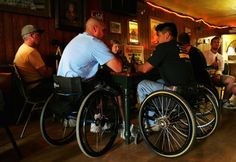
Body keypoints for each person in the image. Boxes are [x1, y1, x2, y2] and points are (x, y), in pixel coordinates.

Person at [57, 17, 124, 133]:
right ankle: (124, 125)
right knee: (115, 87)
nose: (104, 34)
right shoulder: (94, 42)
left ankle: (97, 117)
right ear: (95, 29)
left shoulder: (76, 40)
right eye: (103, 30)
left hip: (61, 87)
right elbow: (118, 68)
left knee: (100, 78)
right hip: (78, 88)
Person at [136, 22, 196, 103]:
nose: (158, 39)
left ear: (167, 35)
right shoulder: (182, 48)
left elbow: (144, 69)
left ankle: (149, 115)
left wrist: (136, 66)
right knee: (159, 81)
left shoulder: (163, 47)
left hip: (176, 93)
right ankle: (158, 109)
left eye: (159, 35)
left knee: (142, 85)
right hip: (190, 92)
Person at [14, 24, 53, 99]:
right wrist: (53, 70)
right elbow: (46, 74)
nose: (40, 38)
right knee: (62, 86)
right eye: (38, 35)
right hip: (36, 88)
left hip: (27, 88)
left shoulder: (22, 48)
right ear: (31, 36)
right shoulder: (31, 51)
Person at [178, 32, 218, 98]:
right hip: (205, 79)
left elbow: (192, 70)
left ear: (182, 44)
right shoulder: (196, 50)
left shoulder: (191, 53)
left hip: (199, 81)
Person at [203, 36, 236, 109]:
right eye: (215, 42)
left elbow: (221, 69)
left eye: (219, 42)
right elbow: (202, 68)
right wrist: (211, 66)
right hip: (207, 77)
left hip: (217, 76)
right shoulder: (204, 54)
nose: (217, 44)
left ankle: (224, 100)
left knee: (232, 79)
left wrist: (218, 74)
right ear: (211, 44)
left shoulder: (220, 56)